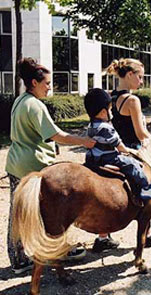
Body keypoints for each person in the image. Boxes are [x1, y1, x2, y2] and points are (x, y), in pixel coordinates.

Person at [5, 58, 96, 274]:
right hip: (33, 167)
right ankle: (61, 250)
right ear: (34, 83)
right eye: (46, 83)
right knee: (54, 211)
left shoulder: (20, 100)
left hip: (15, 163)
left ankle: (18, 260)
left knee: (17, 212)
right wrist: (83, 140)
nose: (49, 87)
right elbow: (57, 135)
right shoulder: (35, 105)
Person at [106, 58, 151, 247]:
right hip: (132, 149)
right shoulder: (132, 100)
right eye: (140, 77)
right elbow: (141, 134)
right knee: (150, 187)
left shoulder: (111, 96)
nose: (141, 81)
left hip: (113, 149)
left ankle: (102, 237)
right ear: (130, 75)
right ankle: (147, 233)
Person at [84, 88, 151, 201]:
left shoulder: (91, 126)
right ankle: (145, 187)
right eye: (110, 110)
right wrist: (128, 151)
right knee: (132, 164)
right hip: (108, 158)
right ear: (103, 112)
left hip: (93, 158)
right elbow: (119, 146)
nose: (111, 112)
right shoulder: (107, 128)